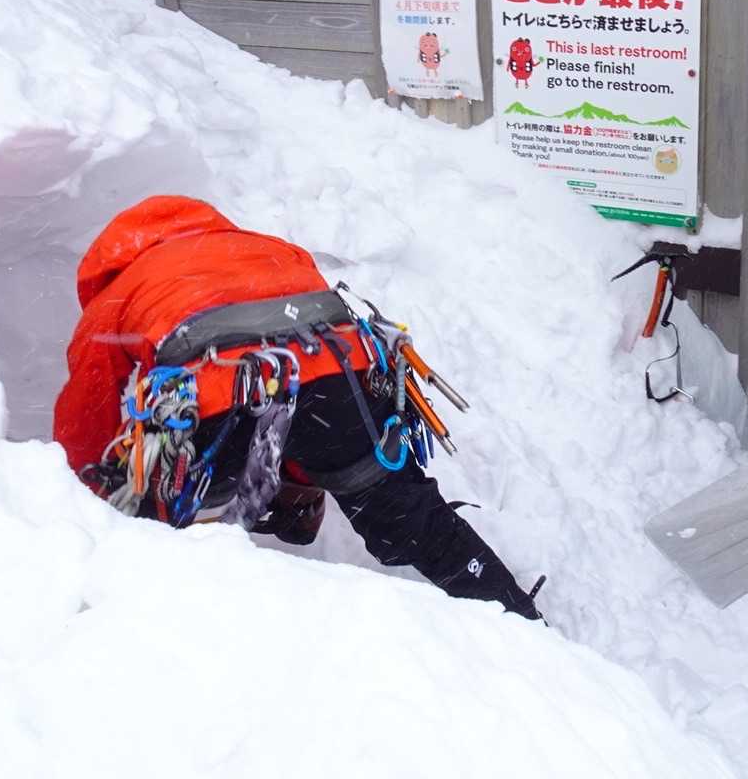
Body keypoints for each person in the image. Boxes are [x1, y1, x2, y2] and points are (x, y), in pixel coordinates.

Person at [53, 194, 541, 620]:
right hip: (336, 377)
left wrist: (93, 511)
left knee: (186, 544)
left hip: (211, 398)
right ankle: (517, 617)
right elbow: (303, 378)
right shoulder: (268, 250)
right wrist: (319, 473)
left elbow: (86, 432)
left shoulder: (116, 296)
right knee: (411, 520)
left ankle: (196, 642)